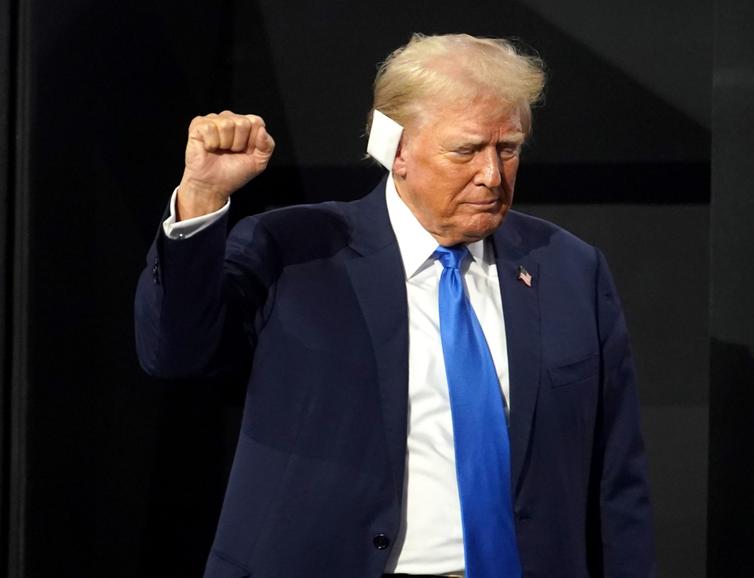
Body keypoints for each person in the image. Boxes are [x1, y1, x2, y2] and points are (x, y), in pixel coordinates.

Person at [135, 33, 655, 578]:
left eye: (508, 149)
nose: (492, 175)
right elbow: (175, 352)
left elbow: (616, 479)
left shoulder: (569, 269)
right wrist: (201, 198)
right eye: (466, 149)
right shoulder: (295, 250)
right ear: (397, 148)